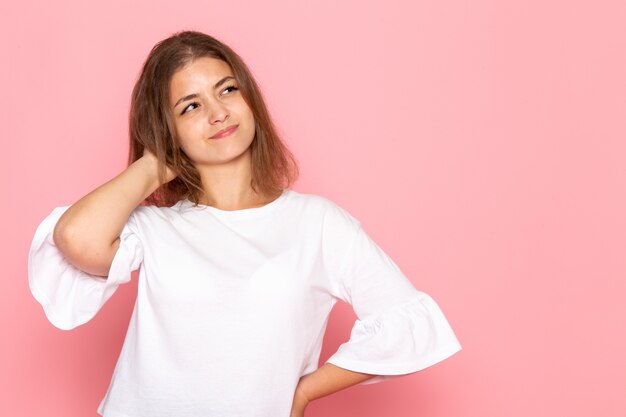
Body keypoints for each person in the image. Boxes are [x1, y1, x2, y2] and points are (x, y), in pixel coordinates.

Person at [27, 30, 462, 417]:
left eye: (227, 90)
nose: (218, 113)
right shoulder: (153, 230)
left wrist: (305, 391)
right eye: (191, 106)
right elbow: (74, 238)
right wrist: (157, 163)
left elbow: (408, 325)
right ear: (167, 129)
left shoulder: (317, 224)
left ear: (249, 97)